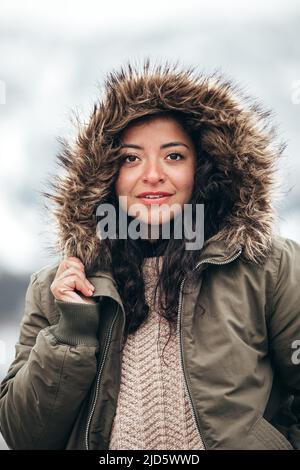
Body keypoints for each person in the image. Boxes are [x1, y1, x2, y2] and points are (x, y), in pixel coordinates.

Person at [0, 59, 299, 450]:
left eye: (174, 156)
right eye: (131, 158)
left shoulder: (267, 267)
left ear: (205, 168)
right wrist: (71, 330)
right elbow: (24, 436)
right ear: (106, 175)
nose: (153, 174)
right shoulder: (61, 286)